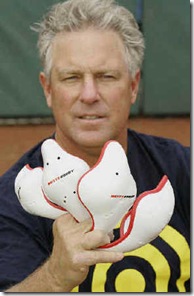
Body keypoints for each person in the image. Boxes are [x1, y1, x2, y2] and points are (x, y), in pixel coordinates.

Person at [0, 0, 190, 292]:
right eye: (72, 77)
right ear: (48, 89)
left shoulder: (182, 169)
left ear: (134, 86)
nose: (89, 94)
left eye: (106, 76)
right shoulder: (13, 198)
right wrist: (52, 278)